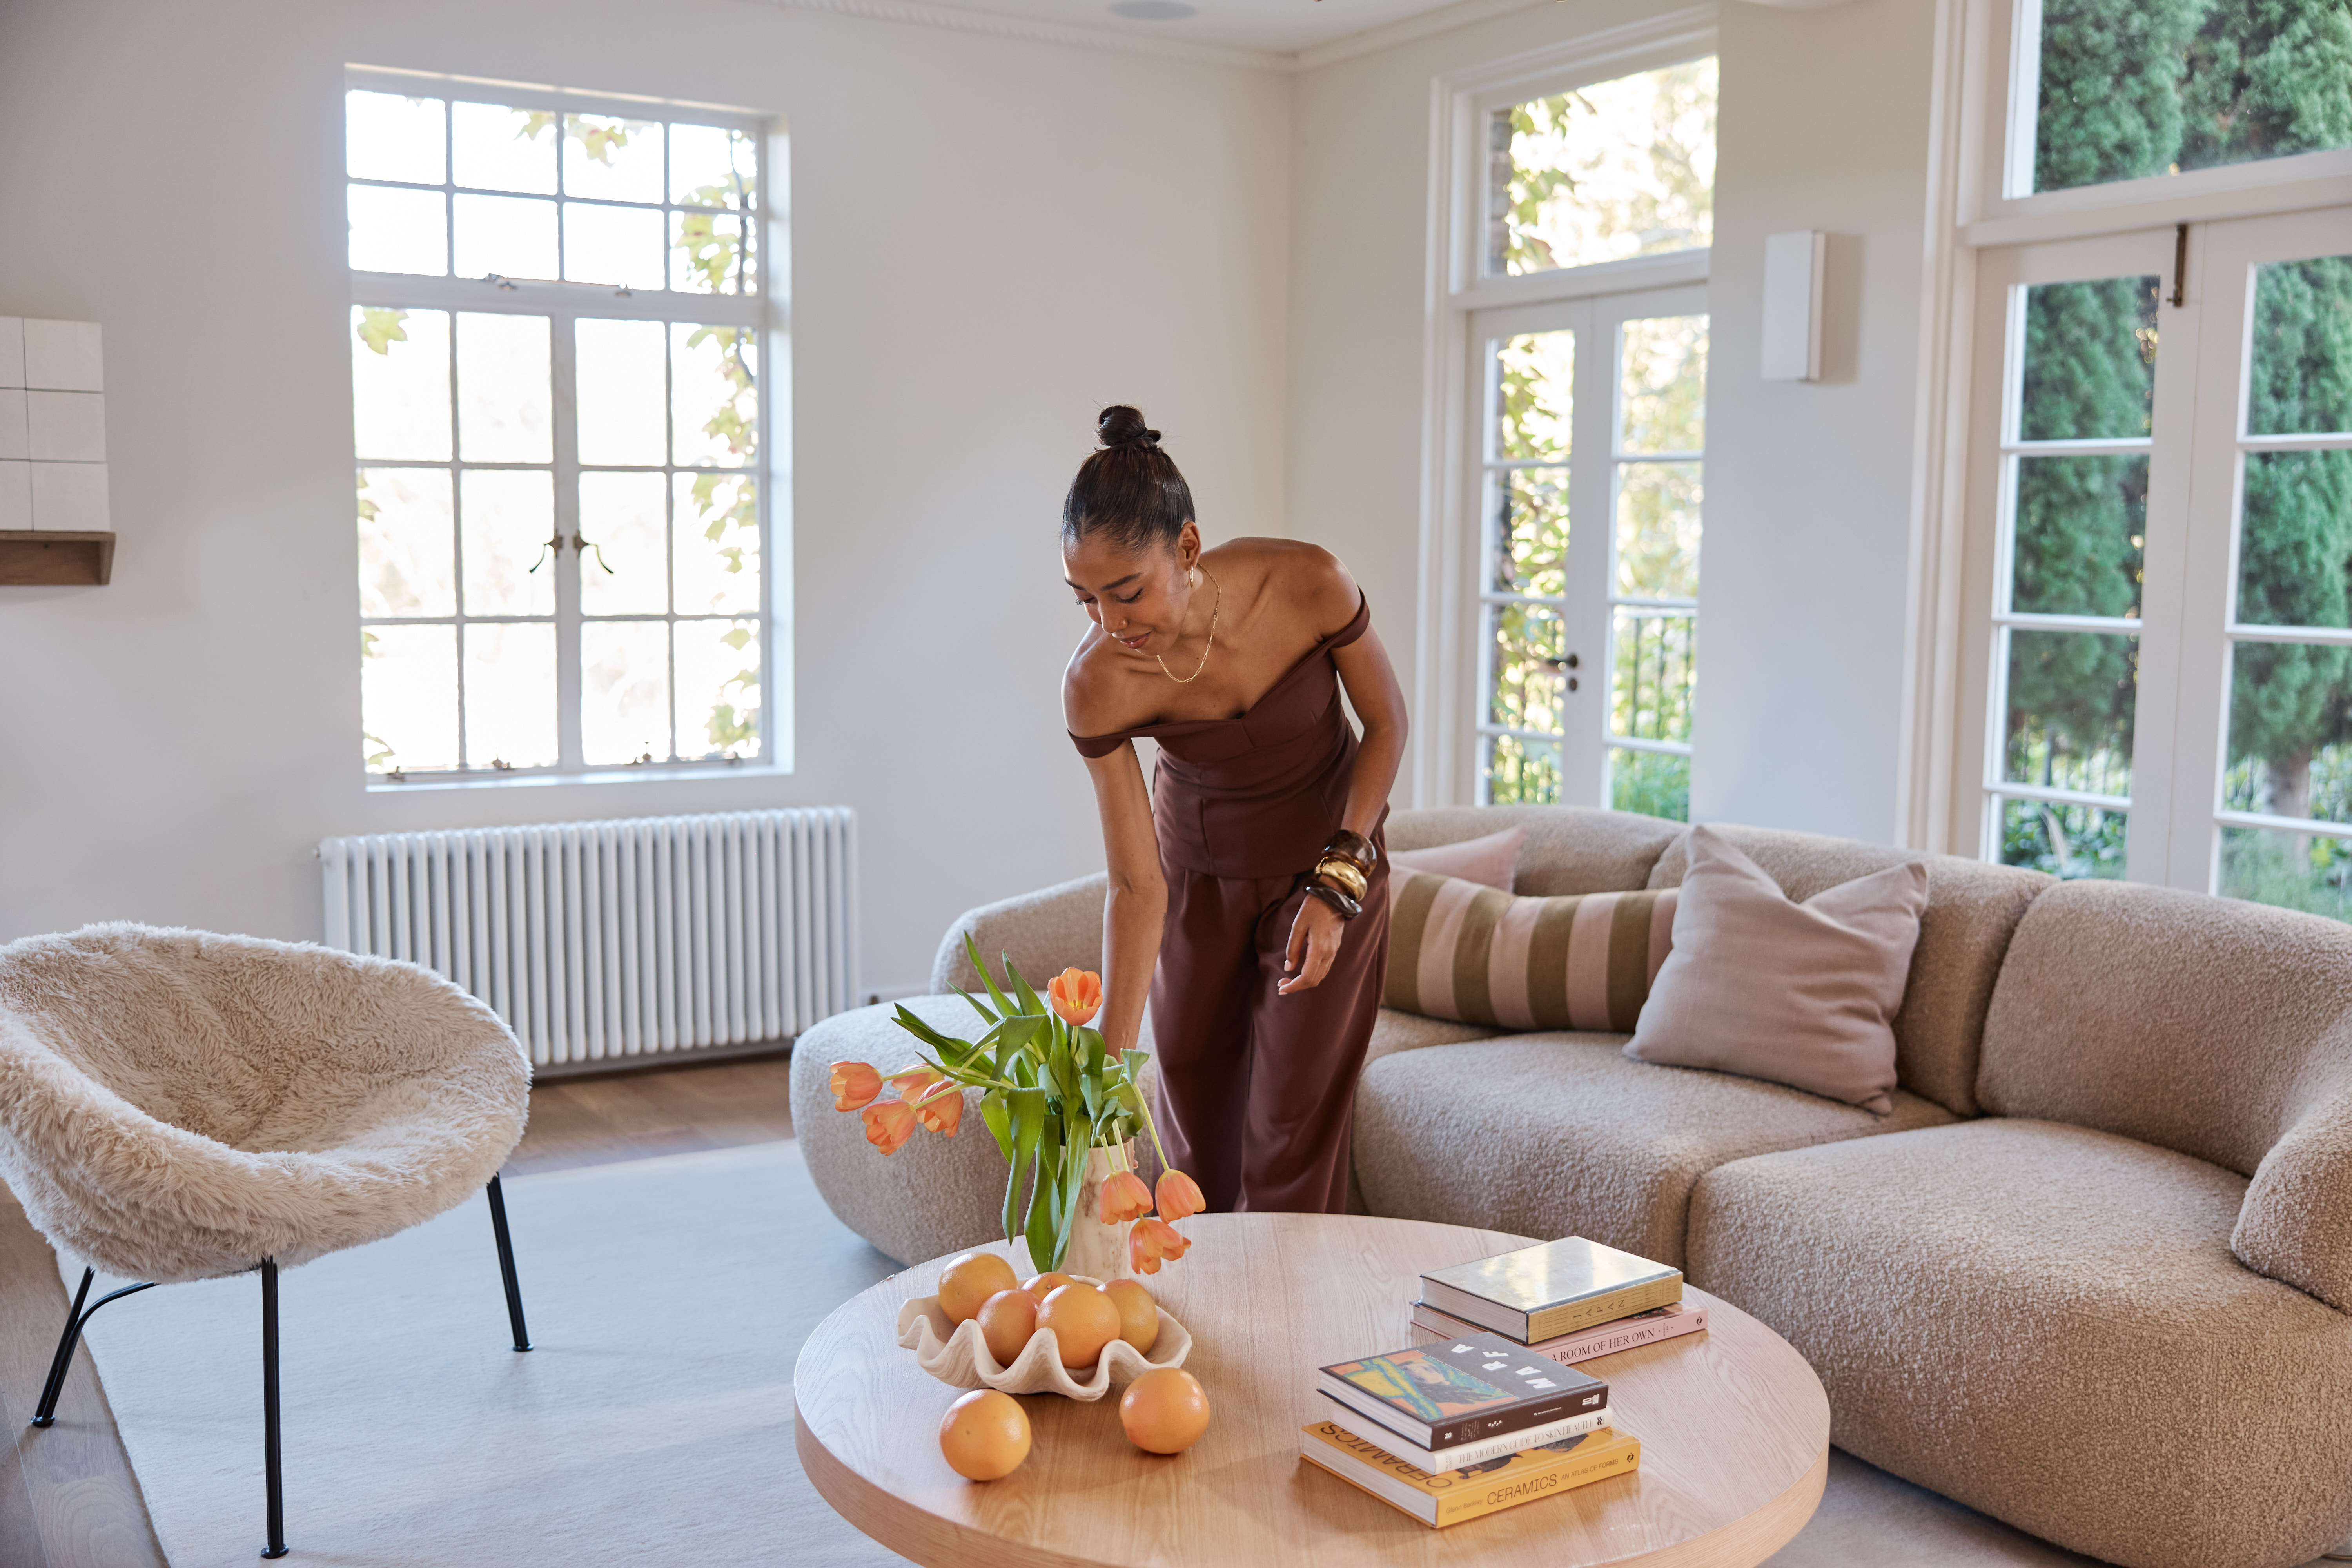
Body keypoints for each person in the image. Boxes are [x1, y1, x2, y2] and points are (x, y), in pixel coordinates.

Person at [1061, 405, 1408, 1214]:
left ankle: (1294, 1298)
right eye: (1085, 600)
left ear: (1187, 547)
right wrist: (1108, 1067)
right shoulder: (1097, 682)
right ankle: (1204, 1296)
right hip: (1196, 882)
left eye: (1127, 592)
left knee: (1290, 1138)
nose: (1110, 623)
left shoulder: (1308, 583)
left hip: (1327, 863)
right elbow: (1135, 883)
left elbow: (1387, 724)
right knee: (1195, 1142)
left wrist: (1339, 884)